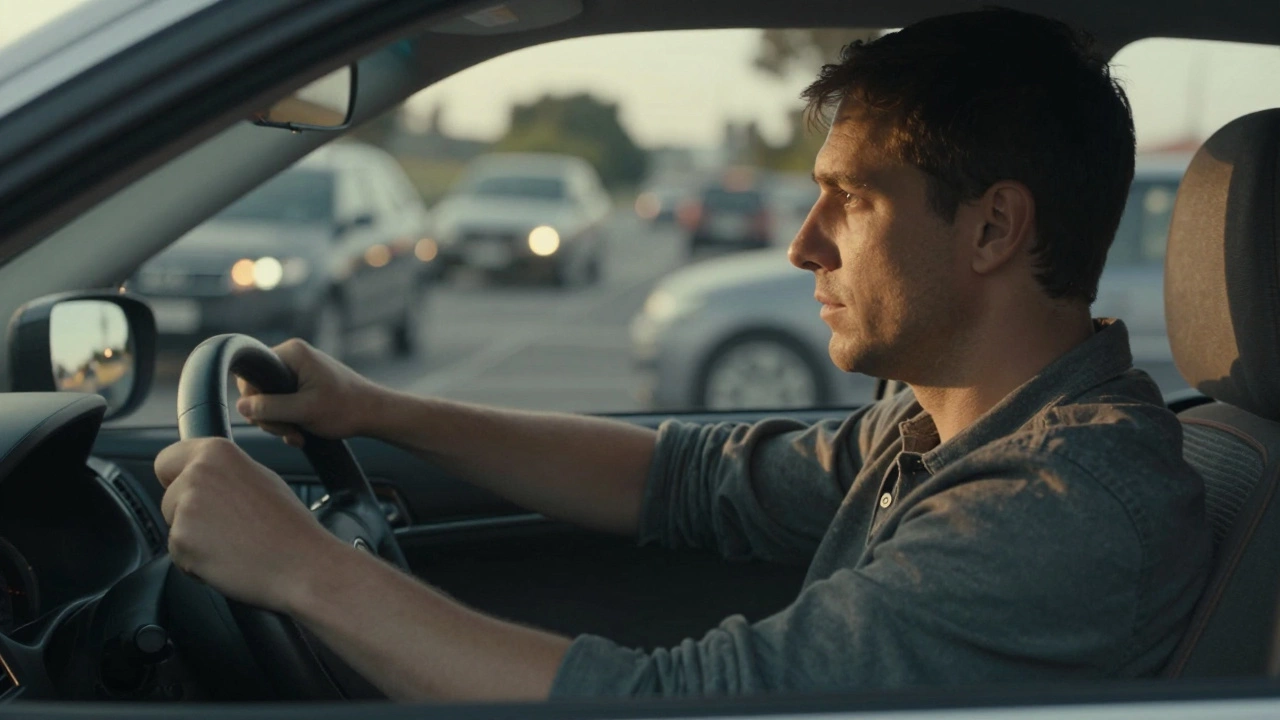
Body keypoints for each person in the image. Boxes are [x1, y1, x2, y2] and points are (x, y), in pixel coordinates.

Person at [154, 8, 1211, 701]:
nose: (803, 244)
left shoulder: (1057, 506)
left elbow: (673, 709)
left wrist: (303, 570)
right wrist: (378, 410)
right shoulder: (945, 430)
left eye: (849, 199)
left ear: (991, 230)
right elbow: (683, 476)